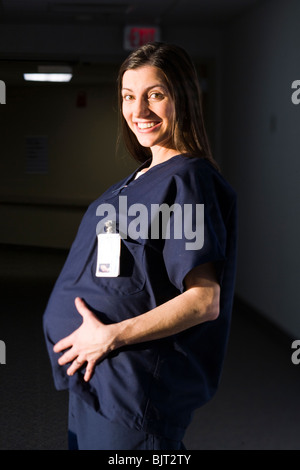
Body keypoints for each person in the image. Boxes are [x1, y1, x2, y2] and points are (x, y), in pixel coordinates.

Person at [43, 41, 237, 450]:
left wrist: (111, 336)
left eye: (156, 95)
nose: (140, 111)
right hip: (97, 381)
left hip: (132, 390)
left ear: (182, 98)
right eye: (129, 97)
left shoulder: (187, 179)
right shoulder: (136, 180)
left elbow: (204, 300)